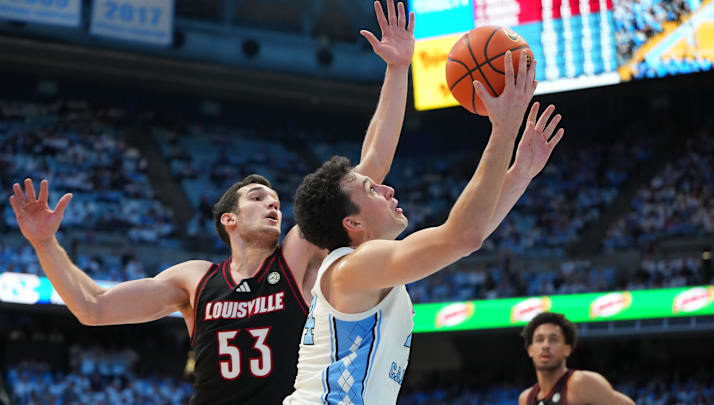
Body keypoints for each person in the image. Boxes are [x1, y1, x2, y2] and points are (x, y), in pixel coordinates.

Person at [7, 1, 415, 403]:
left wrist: (397, 70)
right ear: (229, 221)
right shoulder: (195, 280)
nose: (273, 206)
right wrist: (44, 243)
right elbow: (93, 307)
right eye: (258, 198)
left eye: (275, 200)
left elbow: (369, 171)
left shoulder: (295, 255)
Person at [286, 49, 564, 404]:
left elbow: (470, 233)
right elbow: (463, 236)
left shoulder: (359, 266)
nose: (386, 187)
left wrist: (521, 171)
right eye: (372, 189)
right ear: (352, 222)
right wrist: (504, 130)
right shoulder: (355, 266)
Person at [518, 312, 635, 405]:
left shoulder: (581, 383)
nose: (546, 346)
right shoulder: (526, 399)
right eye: (539, 339)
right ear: (530, 350)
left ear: (567, 349)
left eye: (553, 339)